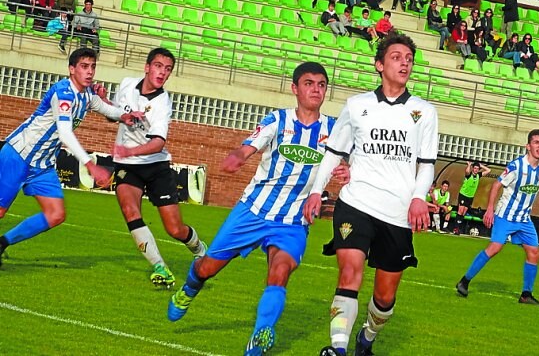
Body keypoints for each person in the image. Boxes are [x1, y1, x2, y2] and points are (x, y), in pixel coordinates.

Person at [167, 62, 350, 355]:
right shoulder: (277, 120)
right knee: (207, 268)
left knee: (280, 271)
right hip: (253, 211)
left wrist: (345, 171)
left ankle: (259, 336)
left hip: (293, 220)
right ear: (295, 88)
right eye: (308, 83)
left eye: (321, 84)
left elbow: (345, 163)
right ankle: (190, 286)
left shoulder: (334, 130)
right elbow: (250, 145)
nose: (315, 89)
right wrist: (238, 156)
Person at [303, 33, 439, 356]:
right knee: (349, 272)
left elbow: (428, 164)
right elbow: (334, 153)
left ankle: (367, 337)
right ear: (379, 65)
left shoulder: (424, 113)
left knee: (385, 298)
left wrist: (419, 197)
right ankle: (337, 348)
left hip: (398, 213)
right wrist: (316, 191)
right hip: (356, 204)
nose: (404, 62)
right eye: (396, 57)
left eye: (408, 58)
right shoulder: (357, 106)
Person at [0, 48, 142, 267]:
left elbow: (106, 109)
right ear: (72, 69)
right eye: (84, 66)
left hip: (42, 164)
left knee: (56, 214)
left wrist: (125, 115)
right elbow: (65, 132)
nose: (90, 72)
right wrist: (90, 165)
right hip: (19, 154)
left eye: (93, 67)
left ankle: (2, 243)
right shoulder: (63, 93)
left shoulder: (86, 95)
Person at [109, 48, 208, 287]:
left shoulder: (163, 103)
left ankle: (199, 248)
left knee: (175, 229)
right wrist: (104, 102)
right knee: (130, 210)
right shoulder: (126, 84)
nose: (162, 72)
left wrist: (131, 150)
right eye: (158, 66)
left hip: (156, 167)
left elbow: (158, 143)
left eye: (168, 69)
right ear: (147, 67)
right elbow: (112, 115)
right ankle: (160, 267)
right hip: (127, 166)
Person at [456, 129, 539, 305]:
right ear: (528, 146)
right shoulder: (516, 166)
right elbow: (496, 185)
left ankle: (526, 294)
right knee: (495, 248)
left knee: (534, 253)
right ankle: (464, 281)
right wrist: (490, 209)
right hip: (505, 215)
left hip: (524, 218)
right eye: (536, 142)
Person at [455, 161, 491, 235]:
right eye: (475, 168)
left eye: (477, 168)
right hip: (463, 194)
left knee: (464, 212)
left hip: (470, 197)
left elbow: (488, 170)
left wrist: (481, 166)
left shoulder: (478, 175)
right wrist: (469, 165)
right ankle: (456, 228)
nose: (476, 170)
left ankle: (459, 228)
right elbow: (467, 171)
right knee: (460, 211)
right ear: (473, 169)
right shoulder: (469, 175)